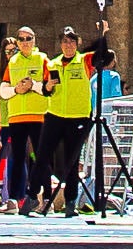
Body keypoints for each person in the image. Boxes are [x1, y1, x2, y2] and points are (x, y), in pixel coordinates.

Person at [31, 25, 97, 217]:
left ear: (77, 43)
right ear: (60, 44)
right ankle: (34, 198)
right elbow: (45, 90)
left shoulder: (84, 60)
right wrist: (48, 86)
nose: (68, 45)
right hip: (55, 114)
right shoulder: (52, 64)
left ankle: (70, 203)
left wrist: (103, 34)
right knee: (42, 156)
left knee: (72, 160)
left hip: (78, 116)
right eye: (65, 41)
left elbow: (104, 55)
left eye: (72, 41)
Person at [0, 28, 49, 207]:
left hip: (38, 116)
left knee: (40, 157)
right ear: (18, 42)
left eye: (29, 38)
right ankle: (13, 199)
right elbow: (3, 91)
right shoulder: (12, 61)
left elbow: (50, 87)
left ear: (35, 40)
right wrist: (16, 90)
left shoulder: (43, 59)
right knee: (18, 158)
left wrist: (33, 85)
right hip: (17, 116)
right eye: (21, 39)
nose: (25, 42)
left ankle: (46, 198)